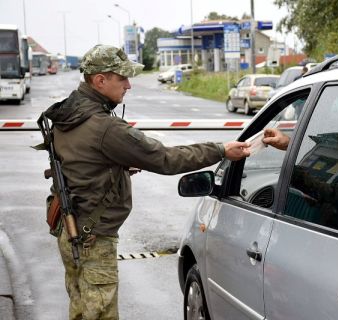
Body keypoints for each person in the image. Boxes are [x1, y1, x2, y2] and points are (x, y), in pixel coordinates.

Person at [43, 44, 250, 320]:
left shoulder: (68, 113)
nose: (129, 85)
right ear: (100, 80)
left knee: (81, 308)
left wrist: (117, 169)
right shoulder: (104, 126)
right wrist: (221, 150)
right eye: (122, 78)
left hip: (68, 231)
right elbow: (166, 158)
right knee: (98, 314)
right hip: (92, 238)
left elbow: (81, 164)